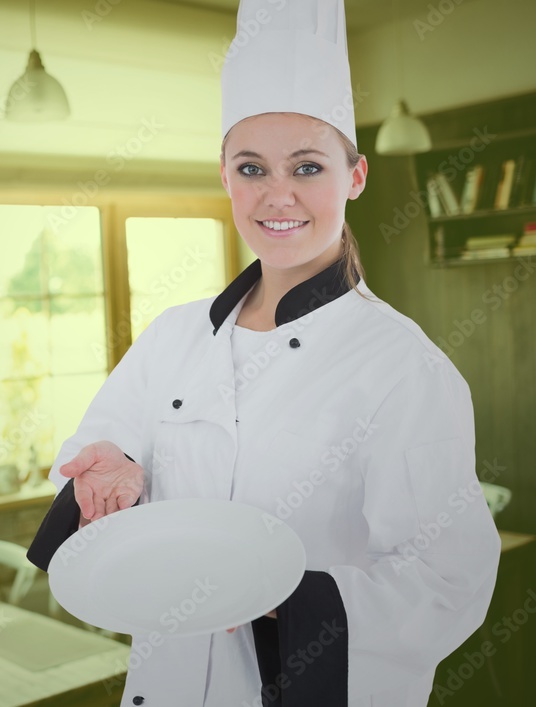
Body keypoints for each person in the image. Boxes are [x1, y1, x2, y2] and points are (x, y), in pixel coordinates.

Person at [26, 1, 501, 705]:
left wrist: (286, 597)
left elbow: (448, 577)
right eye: (252, 168)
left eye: (307, 167)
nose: (277, 195)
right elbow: (103, 447)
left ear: (356, 177)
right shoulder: (174, 336)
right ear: (224, 174)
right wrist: (115, 473)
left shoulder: (404, 366)